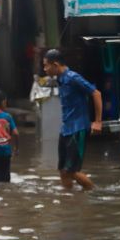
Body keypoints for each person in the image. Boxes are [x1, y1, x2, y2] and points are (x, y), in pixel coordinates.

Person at [43, 49, 102, 190]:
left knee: (72, 171)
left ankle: (94, 193)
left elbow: (96, 93)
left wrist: (97, 121)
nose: (44, 69)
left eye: (46, 66)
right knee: (63, 170)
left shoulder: (73, 77)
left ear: (56, 64)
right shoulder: (60, 79)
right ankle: (68, 200)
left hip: (77, 128)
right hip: (65, 129)